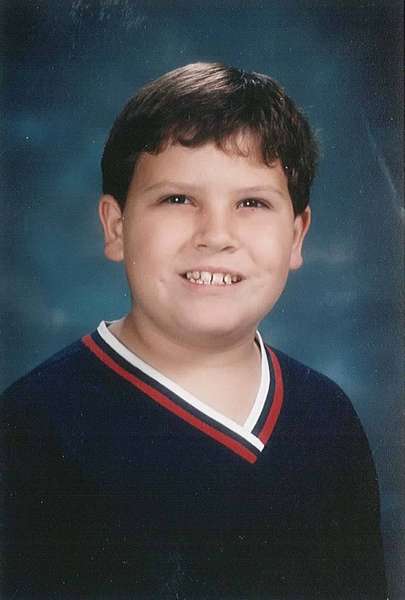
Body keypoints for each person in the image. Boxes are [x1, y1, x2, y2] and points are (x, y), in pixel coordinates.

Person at [2, 62, 387, 599]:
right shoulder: (33, 427)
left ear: (297, 236)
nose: (216, 235)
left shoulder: (328, 416)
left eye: (252, 203)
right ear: (116, 227)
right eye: (178, 199)